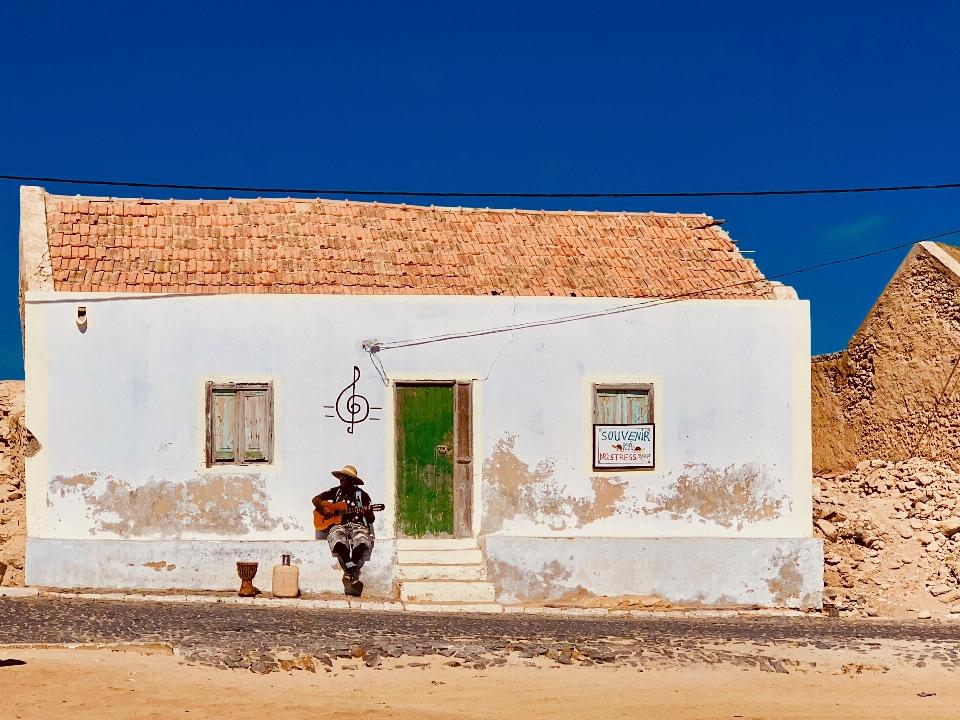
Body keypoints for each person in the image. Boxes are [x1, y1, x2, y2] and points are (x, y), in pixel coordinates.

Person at [312, 465, 377, 597]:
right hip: (339, 525)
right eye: (341, 477)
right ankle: (353, 571)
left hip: (357, 525)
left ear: (352, 480)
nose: (342, 479)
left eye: (345, 477)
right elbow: (316, 499)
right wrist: (324, 509)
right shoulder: (335, 492)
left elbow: (371, 519)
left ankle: (349, 570)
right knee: (337, 537)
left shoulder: (362, 496)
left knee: (363, 540)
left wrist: (368, 514)